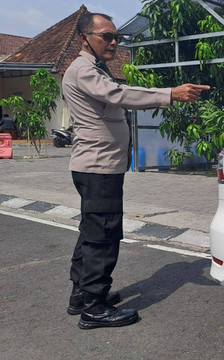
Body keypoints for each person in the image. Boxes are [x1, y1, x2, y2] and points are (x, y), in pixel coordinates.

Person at [62, 12, 209, 330]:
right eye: (107, 37)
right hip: (98, 167)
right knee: (102, 236)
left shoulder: (94, 69)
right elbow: (119, 95)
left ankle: (82, 296)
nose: (114, 43)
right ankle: (94, 308)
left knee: (91, 233)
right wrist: (169, 94)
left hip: (99, 166)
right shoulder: (83, 70)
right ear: (84, 37)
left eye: (117, 37)